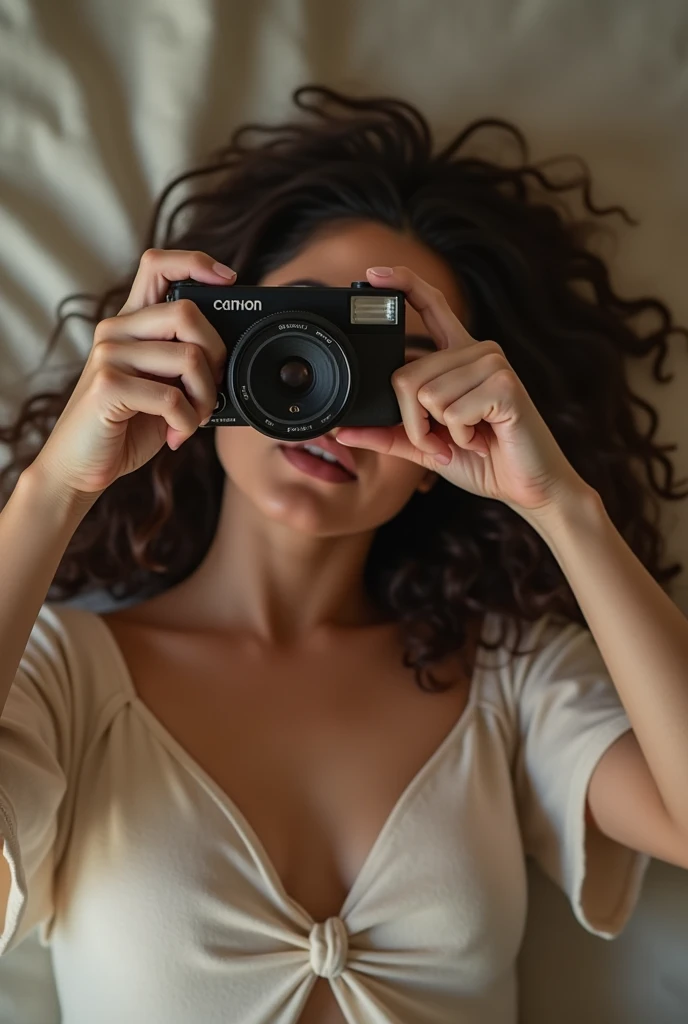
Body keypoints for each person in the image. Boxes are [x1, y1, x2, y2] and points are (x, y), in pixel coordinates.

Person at [1, 84, 687, 1024]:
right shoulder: (65, 680)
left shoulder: (510, 678)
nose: (315, 394)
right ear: (209, 336)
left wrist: (561, 506)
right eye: (294, 335)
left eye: (380, 360)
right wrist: (54, 491)